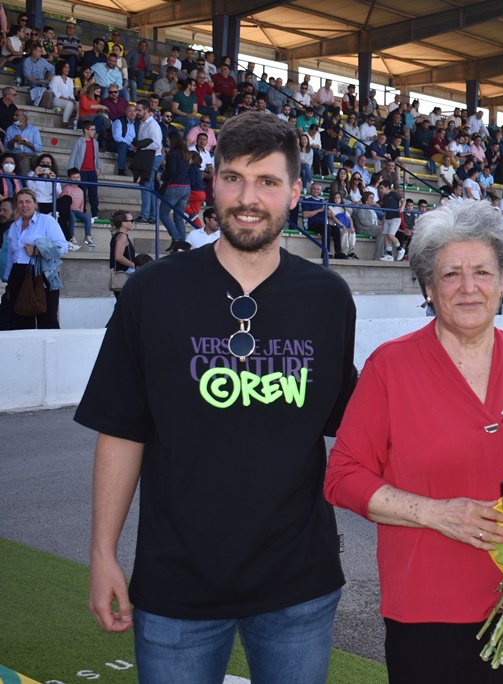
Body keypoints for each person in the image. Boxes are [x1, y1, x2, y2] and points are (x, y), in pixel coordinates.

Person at [75, 112, 358, 682]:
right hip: (176, 582)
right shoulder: (152, 292)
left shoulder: (328, 299)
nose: (247, 198)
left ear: (296, 192)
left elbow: (353, 423)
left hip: (297, 585)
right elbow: (122, 429)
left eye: (268, 182)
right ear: (214, 182)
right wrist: (103, 553)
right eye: (233, 178)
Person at [323, 200, 503, 683]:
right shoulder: (390, 367)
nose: (468, 288)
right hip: (428, 612)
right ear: (429, 288)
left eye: (482, 272)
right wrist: (437, 513)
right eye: (450, 275)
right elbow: (342, 476)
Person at [2, 188, 69, 328]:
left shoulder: (47, 221)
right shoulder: (14, 226)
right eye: (20, 202)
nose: (24, 205)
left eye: (28, 201)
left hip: (41, 273)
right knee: (19, 317)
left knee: (46, 317)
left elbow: (62, 247)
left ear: (35, 204)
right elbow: (10, 255)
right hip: (18, 273)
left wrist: (38, 250)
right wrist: (8, 278)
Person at [158, 130, 191, 251]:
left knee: (162, 213)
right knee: (178, 217)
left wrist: (161, 177)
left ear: (173, 140)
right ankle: (182, 245)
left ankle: (177, 239)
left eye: (168, 139)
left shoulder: (172, 153)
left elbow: (172, 171)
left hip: (175, 187)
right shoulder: (185, 153)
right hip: (186, 187)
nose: (166, 140)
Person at [67, 119, 102, 218]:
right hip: (81, 171)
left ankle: (95, 213)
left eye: (94, 130)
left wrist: (98, 167)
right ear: (86, 130)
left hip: (92, 171)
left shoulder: (95, 142)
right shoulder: (79, 142)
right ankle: (82, 212)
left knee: (93, 193)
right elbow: (73, 156)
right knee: (81, 192)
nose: (94, 132)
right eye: (92, 130)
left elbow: (97, 156)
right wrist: (71, 171)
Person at [108, 209, 136, 299]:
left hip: (122, 275)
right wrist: (133, 265)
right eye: (131, 221)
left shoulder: (117, 236)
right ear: (124, 223)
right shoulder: (122, 237)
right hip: (124, 275)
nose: (133, 223)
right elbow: (118, 257)